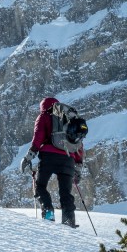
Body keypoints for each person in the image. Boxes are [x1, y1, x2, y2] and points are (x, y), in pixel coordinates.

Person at [20, 97, 84, 228]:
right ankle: (69, 220)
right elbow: (79, 144)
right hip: (68, 158)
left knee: (41, 186)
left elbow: (38, 138)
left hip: (49, 156)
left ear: (43, 107)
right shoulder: (68, 119)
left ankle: (48, 212)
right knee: (65, 192)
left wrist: (28, 157)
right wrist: (78, 166)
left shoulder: (44, 116)